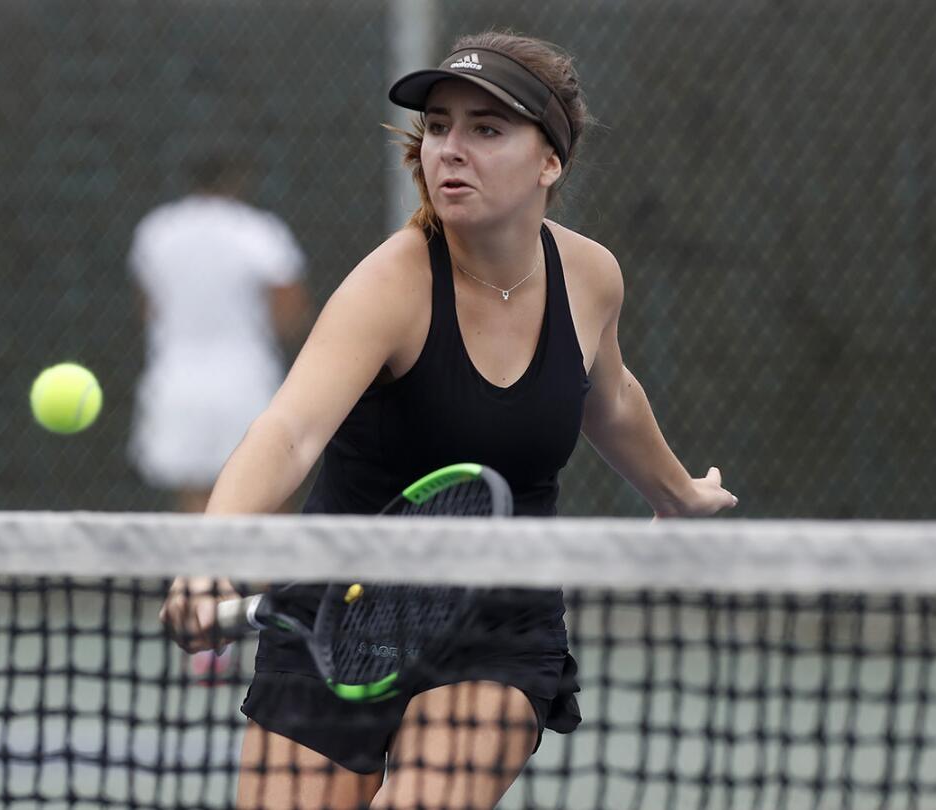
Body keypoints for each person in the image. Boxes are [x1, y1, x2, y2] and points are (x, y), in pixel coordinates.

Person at [159, 31, 738, 809]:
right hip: (337, 615)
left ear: (550, 161)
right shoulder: (391, 284)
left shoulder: (590, 275)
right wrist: (209, 557)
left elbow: (611, 394)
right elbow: (291, 430)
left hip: (496, 623)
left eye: (486, 129)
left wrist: (675, 493)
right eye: (437, 126)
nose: (450, 149)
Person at [127, 154, 312, 679]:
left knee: (195, 506)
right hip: (245, 383)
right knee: (271, 503)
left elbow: (150, 307)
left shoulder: (155, 232)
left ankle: (208, 639)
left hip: (176, 384)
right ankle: (285, 633)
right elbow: (290, 311)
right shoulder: (259, 232)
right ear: (238, 179)